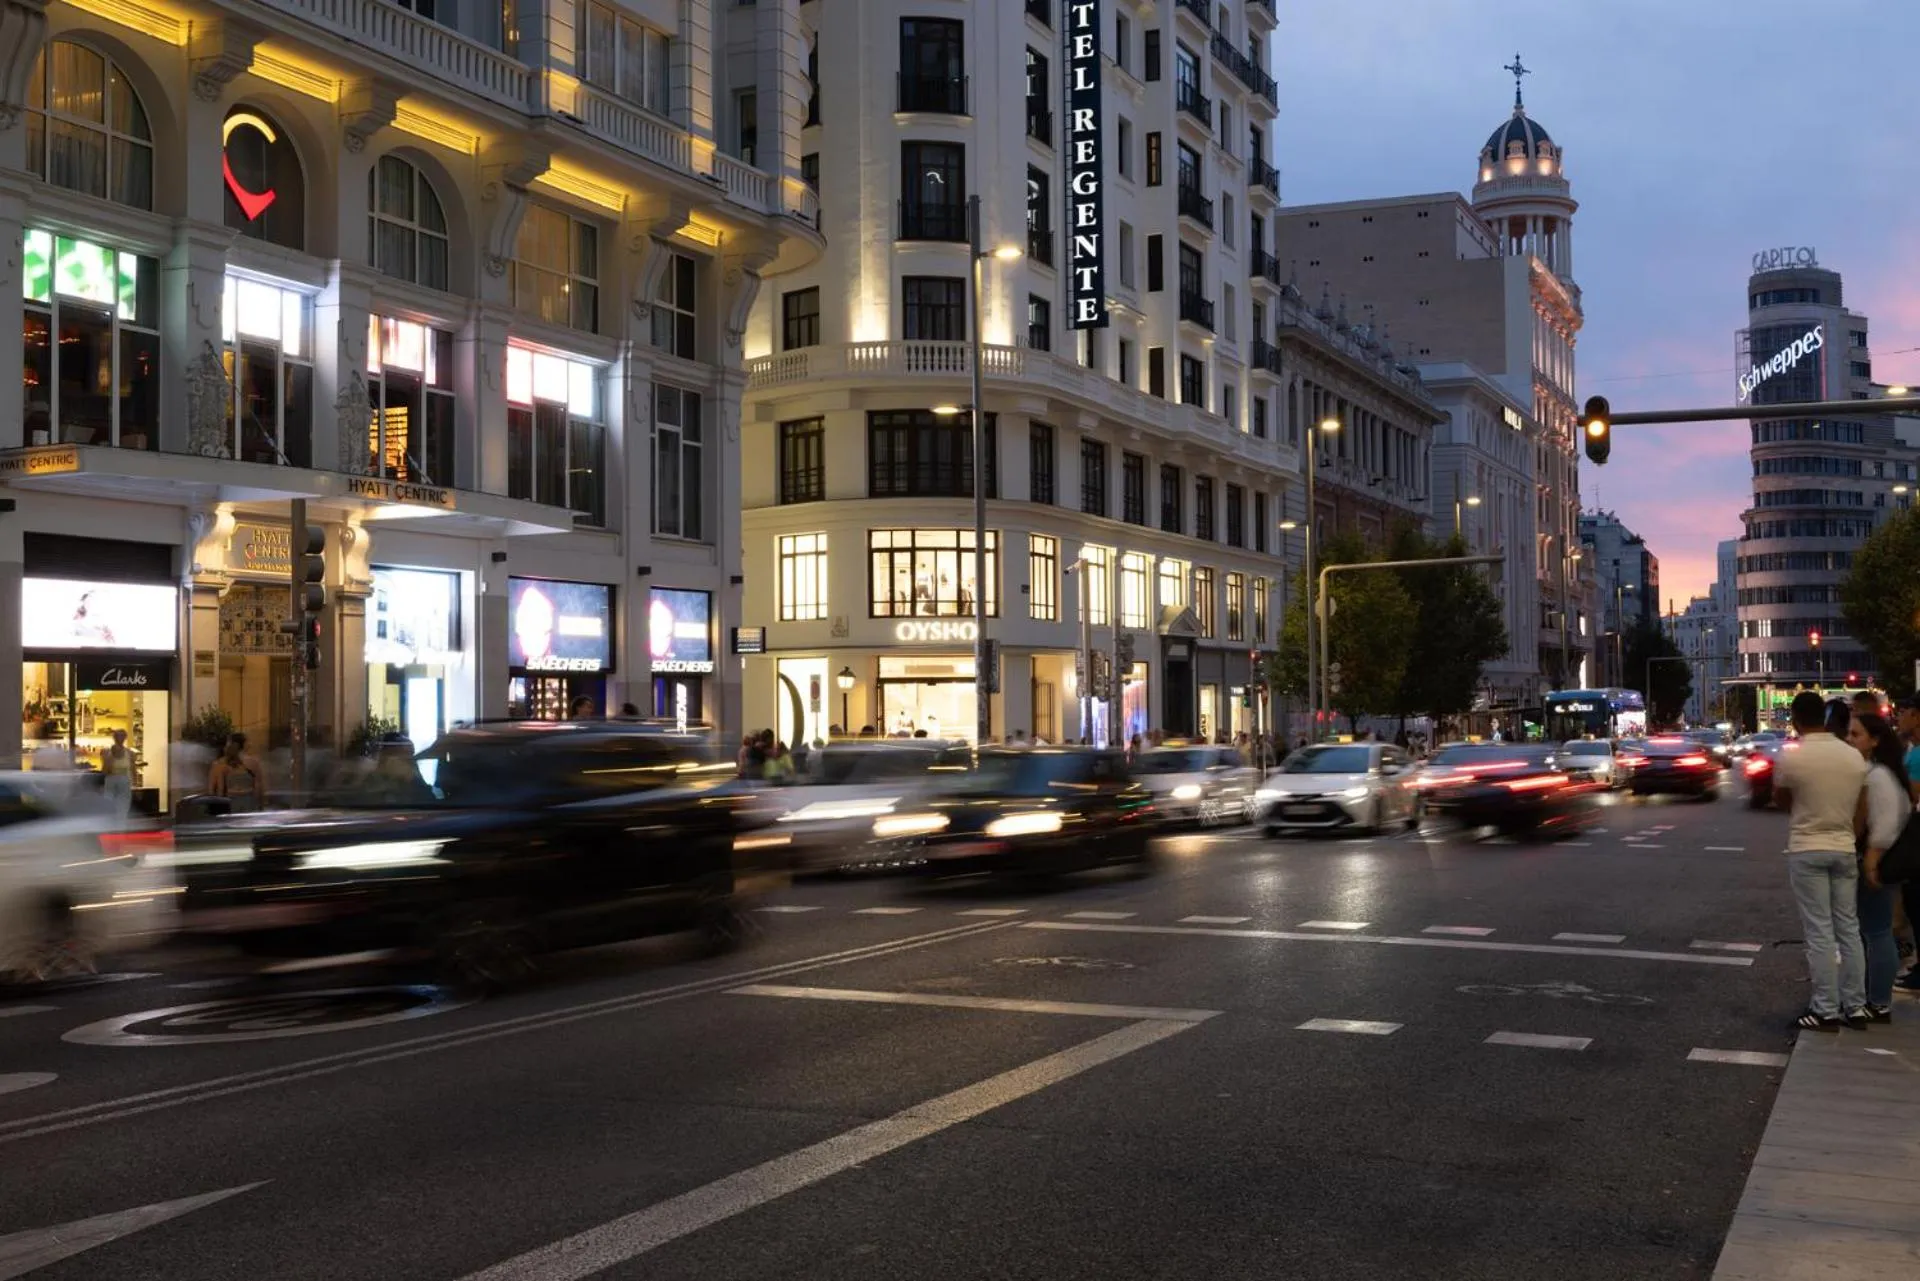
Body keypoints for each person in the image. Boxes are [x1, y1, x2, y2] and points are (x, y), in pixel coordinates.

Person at [1773, 690, 1869, 1031]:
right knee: (1849, 929)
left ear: (1796, 720)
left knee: (1819, 933)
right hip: (1844, 846)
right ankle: (1856, 1007)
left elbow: (1781, 799)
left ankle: (1825, 1010)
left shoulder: (1793, 757)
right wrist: (1852, 836)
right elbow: (1863, 806)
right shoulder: (1852, 756)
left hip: (1807, 846)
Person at [1845, 711, 1906, 1023]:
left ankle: (1879, 1001)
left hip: (1877, 861)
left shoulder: (1877, 776)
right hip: (1878, 860)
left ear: (1875, 740)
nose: (1849, 740)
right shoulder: (1879, 772)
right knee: (1873, 931)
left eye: (1856, 735)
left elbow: (1884, 825)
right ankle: (1874, 996)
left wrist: (1871, 862)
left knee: (1878, 931)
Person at [208, 733, 267, 813]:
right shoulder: (253, 762)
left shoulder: (219, 764)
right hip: (249, 802)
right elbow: (259, 787)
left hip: (229, 802)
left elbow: (215, 789)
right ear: (244, 744)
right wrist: (260, 807)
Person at [100, 727, 134, 816]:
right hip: (111, 782)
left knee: (122, 811)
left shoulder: (130, 753)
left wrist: (133, 785)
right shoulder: (107, 752)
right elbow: (105, 771)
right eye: (118, 736)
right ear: (114, 738)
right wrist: (111, 755)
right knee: (109, 810)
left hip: (124, 783)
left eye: (122, 736)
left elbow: (133, 770)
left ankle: (121, 828)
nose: (120, 739)